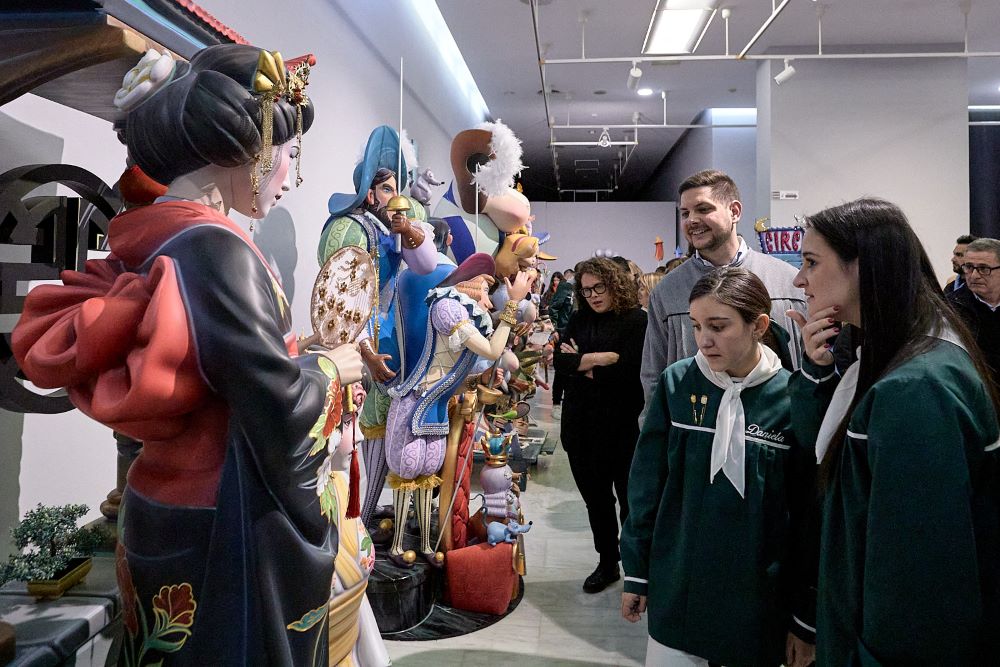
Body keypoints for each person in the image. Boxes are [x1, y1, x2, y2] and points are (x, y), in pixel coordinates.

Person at [12, 45, 364, 665]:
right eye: (287, 154)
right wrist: (334, 367)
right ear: (247, 151)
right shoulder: (218, 249)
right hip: (222, 521)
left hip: (160, 502)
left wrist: (291, 351)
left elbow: (218, 368)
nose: (290, 177)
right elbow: (279, 412)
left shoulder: (159, 235)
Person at [786, 198, 1000, 665]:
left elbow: (917, 584)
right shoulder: (900, 353)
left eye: (811, 262)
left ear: (863, 267)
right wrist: (815, 372)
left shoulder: (916, 388)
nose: (800, 280)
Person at [621, 267, 816, 667]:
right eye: (696, 326)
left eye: (718, 326)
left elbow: (808, 517)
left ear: (758, 326)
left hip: (758, 597)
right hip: (679, 584)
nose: (703, 340)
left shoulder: (791, 398)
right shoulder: (678, 383)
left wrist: (804, 616)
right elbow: (646, 486)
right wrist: (636, 570)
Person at [319, 125, 439, 529]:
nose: (395, 197)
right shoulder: (349, 229)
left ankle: (363, 518)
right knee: (353, 432)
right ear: (369, 193)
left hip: (387, 333)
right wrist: (364, 351)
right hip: (354, 340)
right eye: (387, 189)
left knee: (383, 419)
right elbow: (340, 304)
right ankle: (354, 519)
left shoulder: (393, 227)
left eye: (397, 188)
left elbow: (426, 264)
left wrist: (410, 231)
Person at [384, 256, 531, 567]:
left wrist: (482, 379)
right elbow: (491, 350)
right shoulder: (447, 307)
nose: (487, 302)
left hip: (436, 406)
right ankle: (397, 544)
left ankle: (426, 543)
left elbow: (459, 370)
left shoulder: (466, 314)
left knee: (428, 473)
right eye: (485, 291)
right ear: (470, 285)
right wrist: (512, 304)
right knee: (407, 471)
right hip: (415, 403)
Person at [640, 170, 806, 410]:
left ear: (734, 211)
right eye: (685, 213)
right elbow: (653, 376)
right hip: (698, 423)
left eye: (703, 209)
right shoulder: (668, 291)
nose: (691, 220)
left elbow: (805, 365)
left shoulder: (787, 281)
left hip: (775, 422)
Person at [554, 258, 647, 593]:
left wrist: (580, 363)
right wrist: (598, 359)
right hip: (581, 429)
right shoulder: (580, 318)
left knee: (631, 504)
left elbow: (630, 372)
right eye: (586, 290)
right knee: (597, 503)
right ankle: (607, 563)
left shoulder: (636, 321)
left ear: (614, 284)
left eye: (598, 288)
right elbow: (560, 361)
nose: (592, 295)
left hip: (623, 429)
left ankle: (637, 569)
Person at [947, 237, 1000, 390]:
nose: (974, 275)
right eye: (969, 267)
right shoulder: (950, 309)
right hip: (973, 391)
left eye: (984, 269)